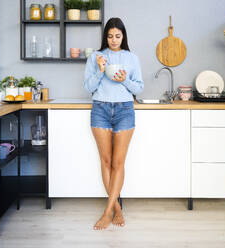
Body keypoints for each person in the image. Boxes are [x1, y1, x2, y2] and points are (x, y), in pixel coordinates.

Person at [84, 17, 144, 230]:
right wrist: (101, 70)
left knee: (119, 163)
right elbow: (88, 86)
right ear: (105, 37)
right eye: (110, 36)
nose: (113, 40)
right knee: (106, 161)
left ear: (123, 36)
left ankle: (107, 210)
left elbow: (138, 88)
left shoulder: (132, 58)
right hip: (100, 108)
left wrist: (124, 80)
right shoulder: (96, 57)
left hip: (124, 110)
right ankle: (117, 208)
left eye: (117, 36)